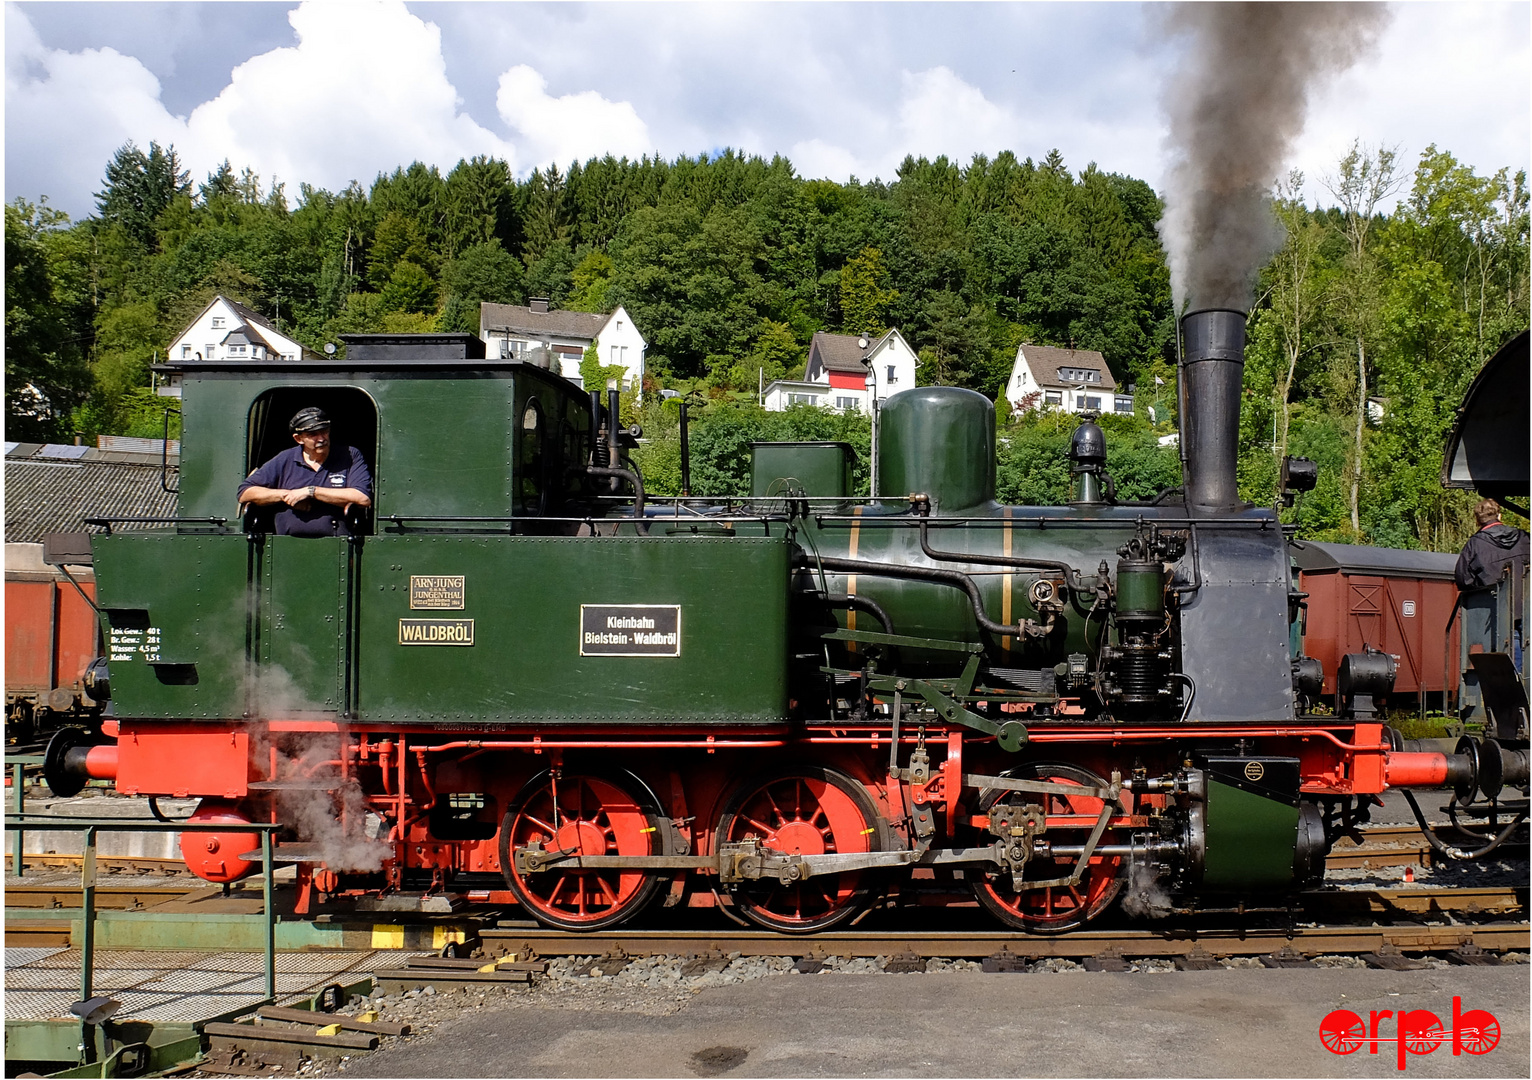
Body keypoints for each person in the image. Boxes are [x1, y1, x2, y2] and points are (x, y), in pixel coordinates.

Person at [237, 407, 372, 536]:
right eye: (313, 434)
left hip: (338, 544)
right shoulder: (285, 458)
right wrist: (286, 495)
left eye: (324, 431)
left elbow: (363, 498)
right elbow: (245, 492)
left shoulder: (349, 455)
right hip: (285, 543)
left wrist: (311, 492)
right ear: (298, 439)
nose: (321, 439)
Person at [1455, 498, 1527, 670]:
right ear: (1499, 515)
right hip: (1526, 606)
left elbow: (1463, 579)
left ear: (1477, 520)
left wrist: (1483, 584)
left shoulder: (1475, 544)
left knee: (1505, 646)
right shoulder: (1524, 537)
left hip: (1495, 611)